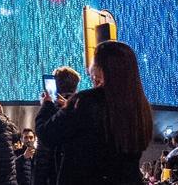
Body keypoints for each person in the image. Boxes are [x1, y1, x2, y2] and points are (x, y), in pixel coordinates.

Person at [35, 40, 153, 185]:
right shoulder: (139, 106)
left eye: (92, 62)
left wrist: (46, 105)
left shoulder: (86, 101)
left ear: (102, 68)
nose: (89, 68)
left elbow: (47, 134)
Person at [32, 67, 78, 185]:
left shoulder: (53, 110)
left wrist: (46, 105)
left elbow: (43, 134)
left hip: (55, 173)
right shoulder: (80, 106)